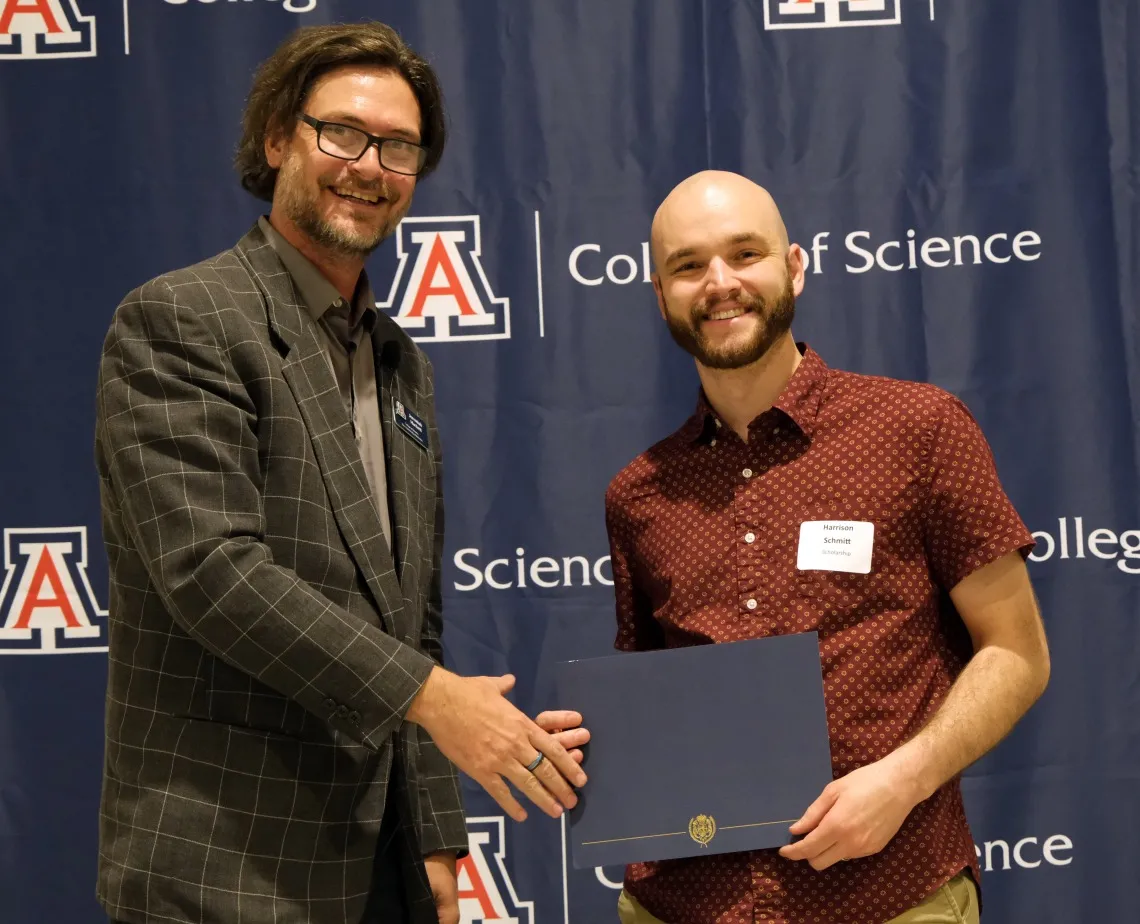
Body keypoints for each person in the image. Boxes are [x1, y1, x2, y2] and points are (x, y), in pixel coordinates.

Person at [94, 22, 586, 924]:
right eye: (342, 132)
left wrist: (434, 830)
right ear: (279, 136)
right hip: (222, 859)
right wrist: (436, 702)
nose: (369, 165)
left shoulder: (401, 361)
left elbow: (412, 616)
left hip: (379, 864)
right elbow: (212, 572)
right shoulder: (181, 320)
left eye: (400, 147)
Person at [598, 171, 1050, 924]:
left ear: (795, 267)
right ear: (659, 294)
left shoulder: (919, 430)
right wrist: (593, 743)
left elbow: (1016, 653)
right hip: (686, 904)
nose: (719, 283)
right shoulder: (638, 494)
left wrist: (900, 783)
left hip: (892, 895)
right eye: (687, 265)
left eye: (746, 254)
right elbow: (656, 703)